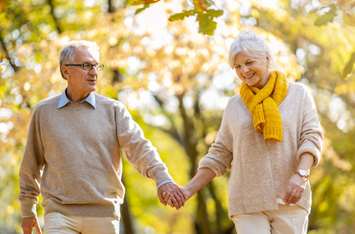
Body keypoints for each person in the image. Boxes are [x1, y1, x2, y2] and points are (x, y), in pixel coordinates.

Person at [19, 40, 185, 234]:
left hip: (103, 215)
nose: (94, 72)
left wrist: (162, 178)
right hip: (59, 213)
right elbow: (31, 164)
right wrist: (27, 210)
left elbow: (140, 147)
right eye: (86, 66)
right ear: (66, 71)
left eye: (96, 66)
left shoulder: (113, 110)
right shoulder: (44, 112)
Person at [164, 30, 323, 233]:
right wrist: (187, 190)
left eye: (249, 62)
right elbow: (220, 154)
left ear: (266, 58)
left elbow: (311, 136)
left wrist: (302, 175)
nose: (244, 71)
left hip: (290, 198)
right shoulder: (234, 105)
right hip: (247, 201)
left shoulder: (298, 94)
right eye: (237, 66)